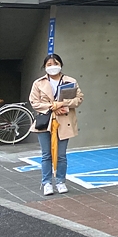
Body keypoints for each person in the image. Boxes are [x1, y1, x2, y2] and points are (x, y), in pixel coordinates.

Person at [29, 53, 84, 196]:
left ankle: (60, 181)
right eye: (49, 64)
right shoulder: (38, 83)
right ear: (44, 66)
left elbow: (79, 98)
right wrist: (53, 107)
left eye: (56, 63)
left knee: (61, 155)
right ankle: (46, 183)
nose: (53, 67)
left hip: (64, 121)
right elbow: (34, 102)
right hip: (45, 121)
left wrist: (63, 104)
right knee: (46, 154)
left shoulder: (70, 81)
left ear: (61, 65)